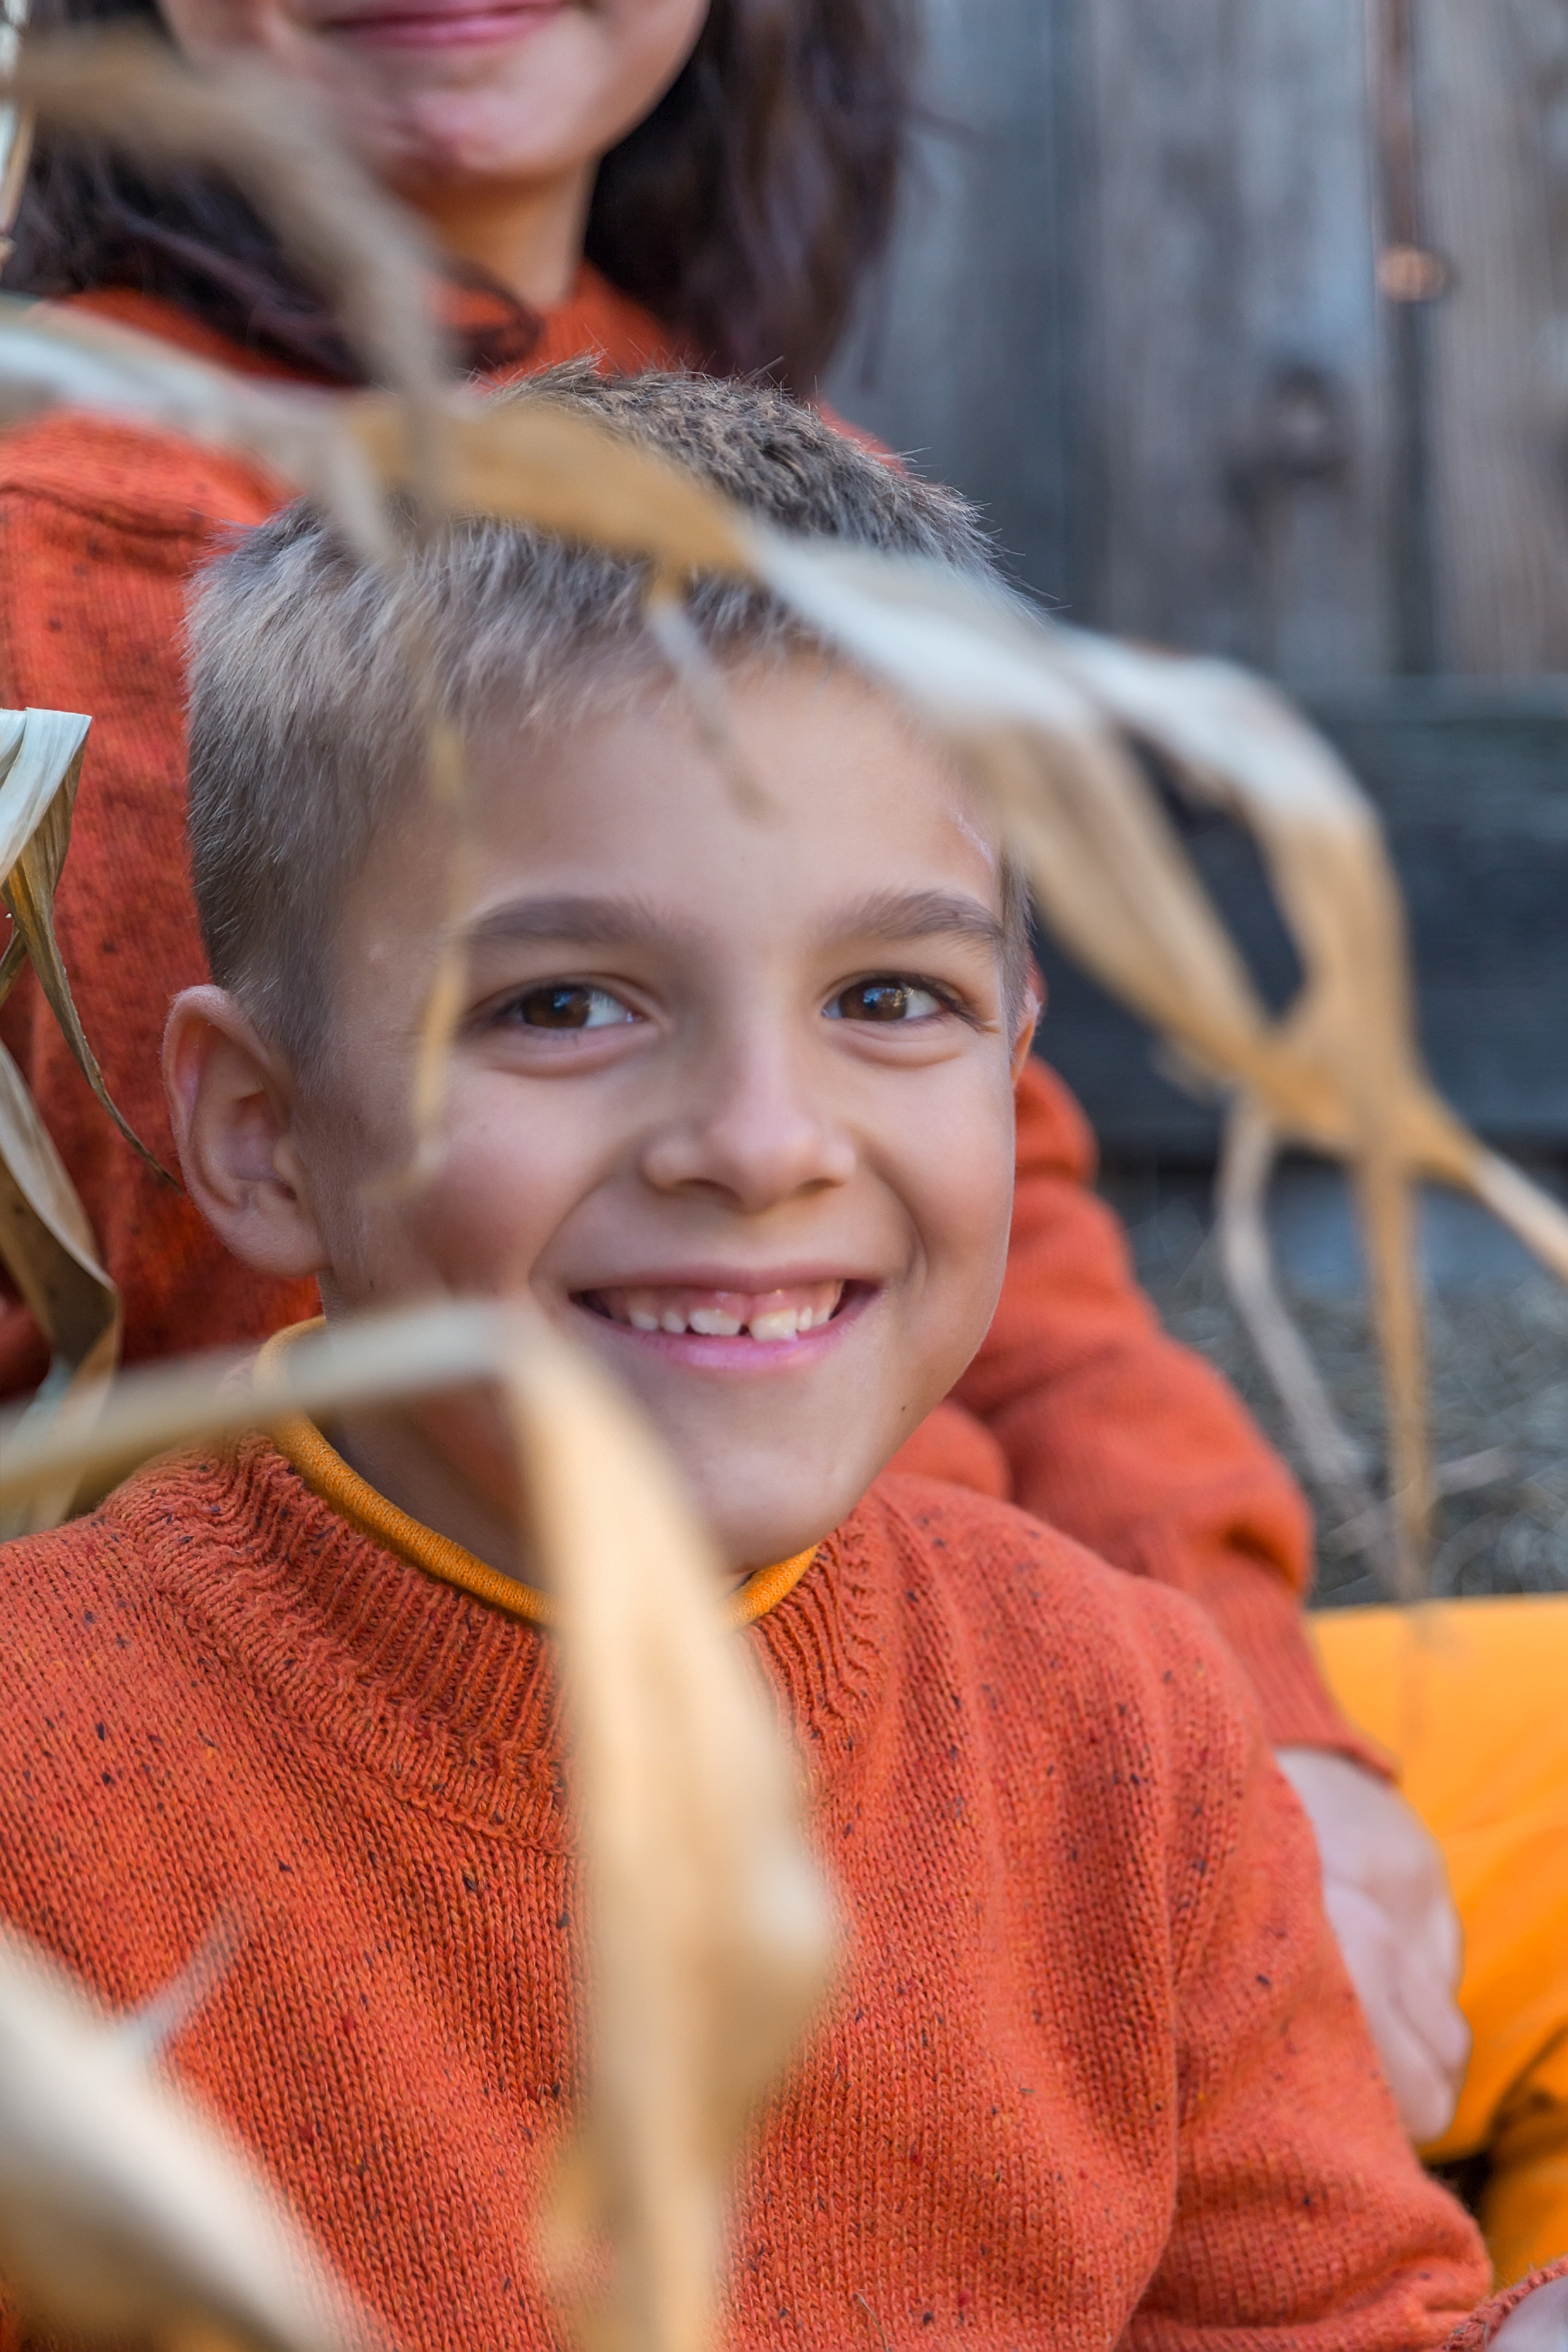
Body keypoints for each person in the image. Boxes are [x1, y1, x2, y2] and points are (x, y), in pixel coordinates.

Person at [0, 0, 1472, 2168]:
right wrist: (1095, 1786)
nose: (772, 1135)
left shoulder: (777, 478)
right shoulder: (93, 555)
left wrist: (1265, 1724)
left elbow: (1028, 1246)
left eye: (881, 996)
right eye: (564, 1007)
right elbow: (520, 1407)